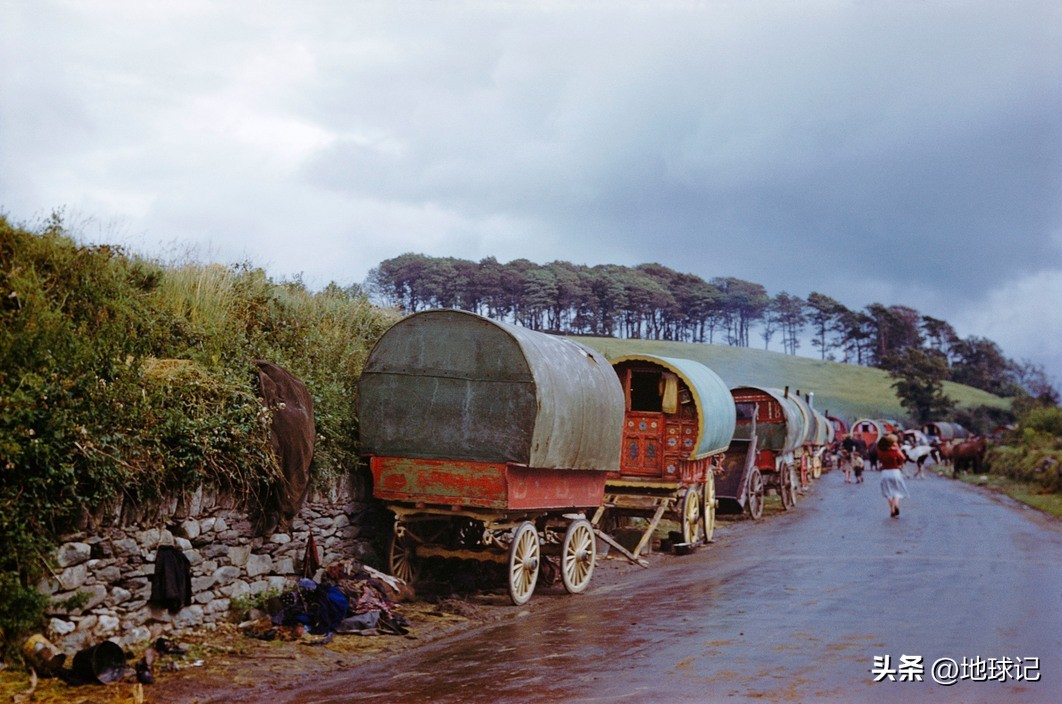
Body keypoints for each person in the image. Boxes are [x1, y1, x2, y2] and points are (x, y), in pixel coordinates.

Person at [877, 434, 909, 517]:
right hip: (895, 472)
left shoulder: (881, 451)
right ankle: (897, 505)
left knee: (888, 492)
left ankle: (892, 510)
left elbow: (880, 459)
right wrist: (897, 449)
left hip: (885, 473)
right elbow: (903, 458)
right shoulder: (895, 451)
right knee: (897, 490)